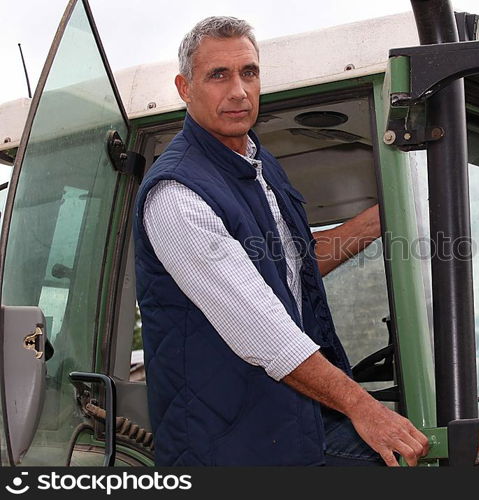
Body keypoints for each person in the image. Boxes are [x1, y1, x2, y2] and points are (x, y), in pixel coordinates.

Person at [132, 16, 430, 467]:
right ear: (184, 87)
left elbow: (292, 265)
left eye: (248, 73)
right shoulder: (177, 194)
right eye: (219, 75)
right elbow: (263, 330)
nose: (239, 91)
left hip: (290, 418)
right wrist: (363, 407)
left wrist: (382, 221)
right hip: (234, 443)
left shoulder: (259, 165)